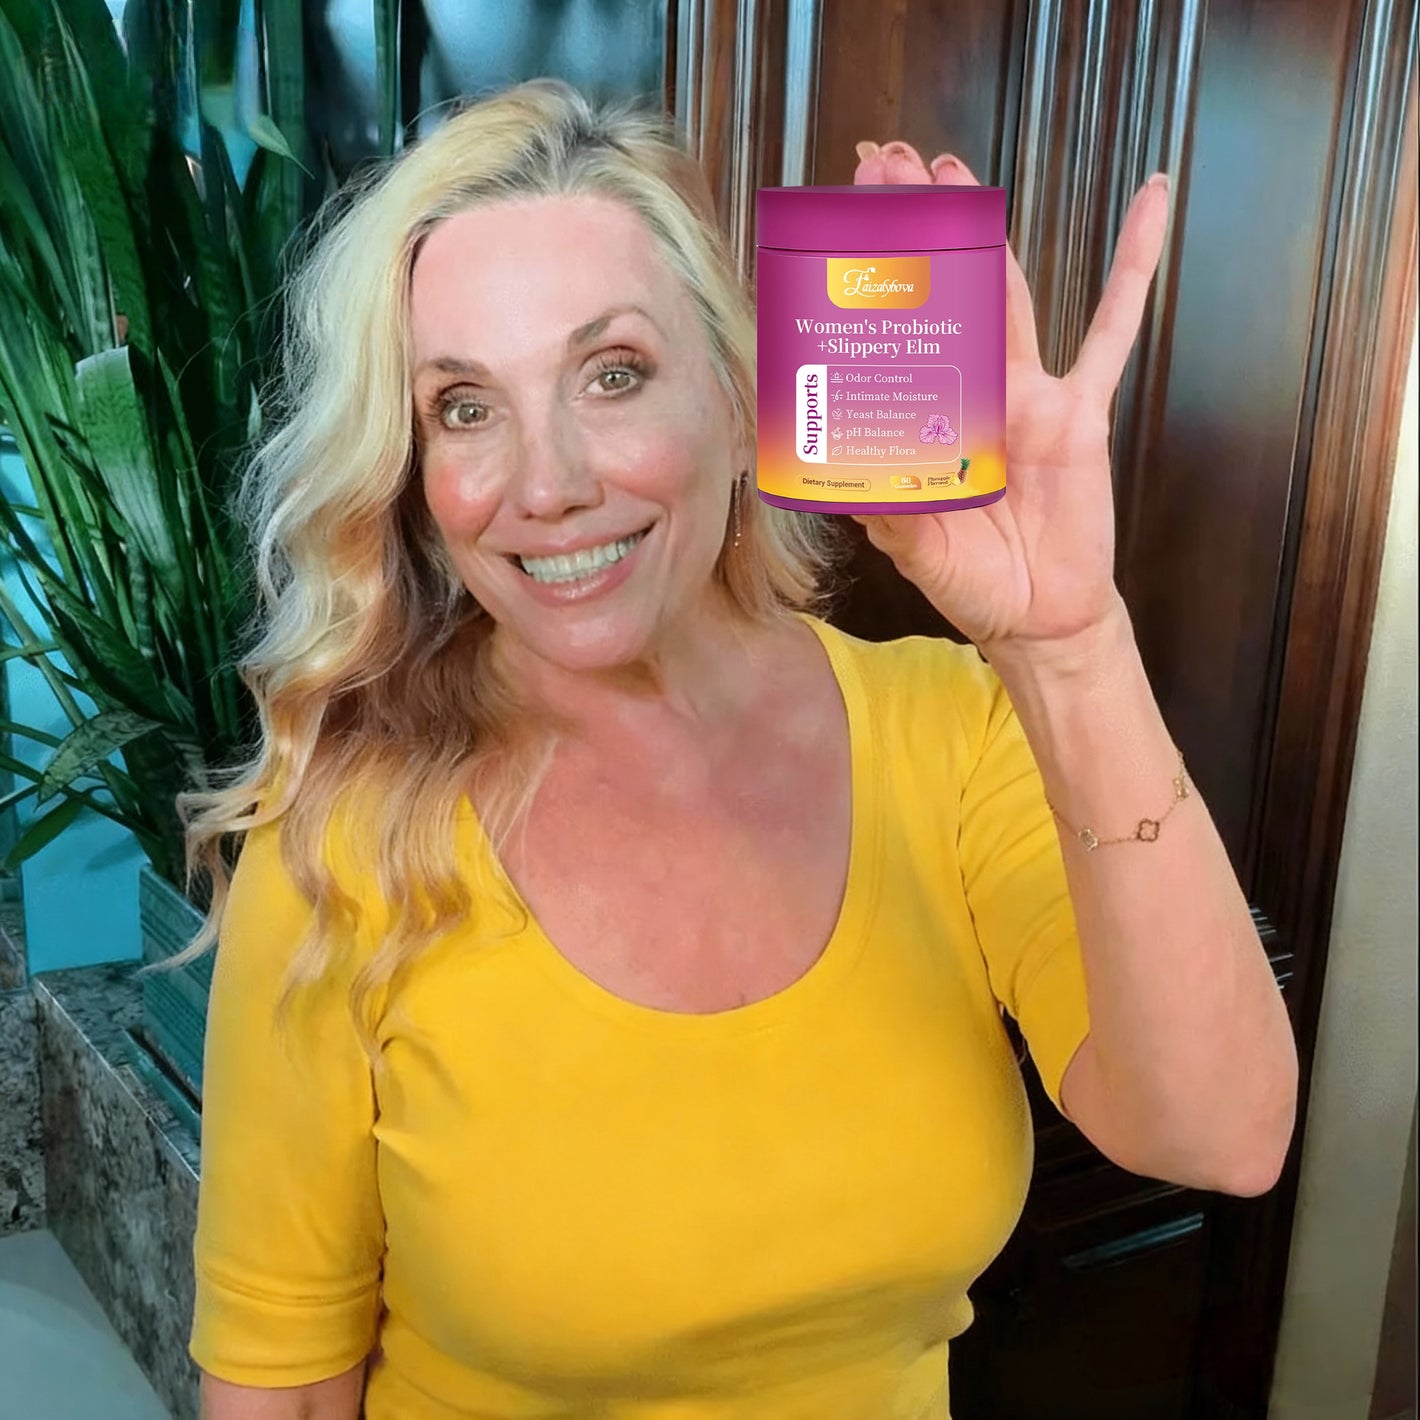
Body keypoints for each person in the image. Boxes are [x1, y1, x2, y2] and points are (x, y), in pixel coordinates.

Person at [175, 78, 1298, 1420]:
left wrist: (1070, 647)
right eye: (464, 406)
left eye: (613, 374)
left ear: (733, 387)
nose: (548, 484)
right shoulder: (344, 842)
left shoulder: (942, 734)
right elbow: (287, 1393)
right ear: (414, 474)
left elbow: (1221, 1133)